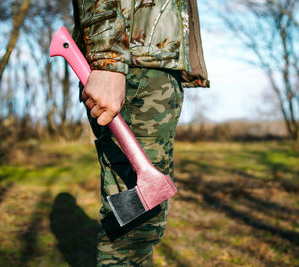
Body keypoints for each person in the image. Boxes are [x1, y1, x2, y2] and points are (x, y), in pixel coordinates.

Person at [72, 0, 209, 265]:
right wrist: (107, 58)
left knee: (145, 225)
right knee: (133, 231)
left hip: (154, 69)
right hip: (132, 68)